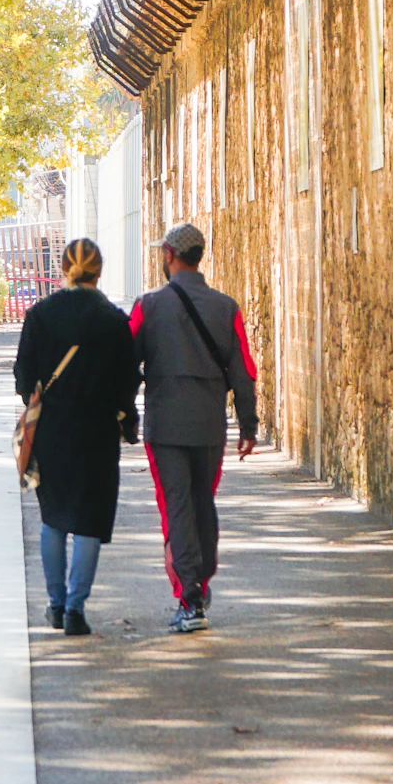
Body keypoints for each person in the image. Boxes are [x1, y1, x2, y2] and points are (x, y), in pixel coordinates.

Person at [129, 221, 258, 636]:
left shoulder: (148, 306)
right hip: (209, 424)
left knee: (177, 507)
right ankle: (201, 581)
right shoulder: (227, 307)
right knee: (203, 502)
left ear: (168, 255)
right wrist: (249, 425)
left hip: (165, 425)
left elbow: (124, 364)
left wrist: (123, 415)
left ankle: (189, 595)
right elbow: (244, 371)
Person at [13, 236, 141, 638]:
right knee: (88, 521)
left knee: (53, 518)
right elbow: (128, 381)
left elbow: (23, 376)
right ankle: (74, 609)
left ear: (62, 269)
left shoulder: (40, 315)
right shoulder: (114, 320)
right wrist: (125, 419)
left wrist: (37, 396)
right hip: (97, 432)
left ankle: (54, 604)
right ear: (99, 271)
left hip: (51, 429)